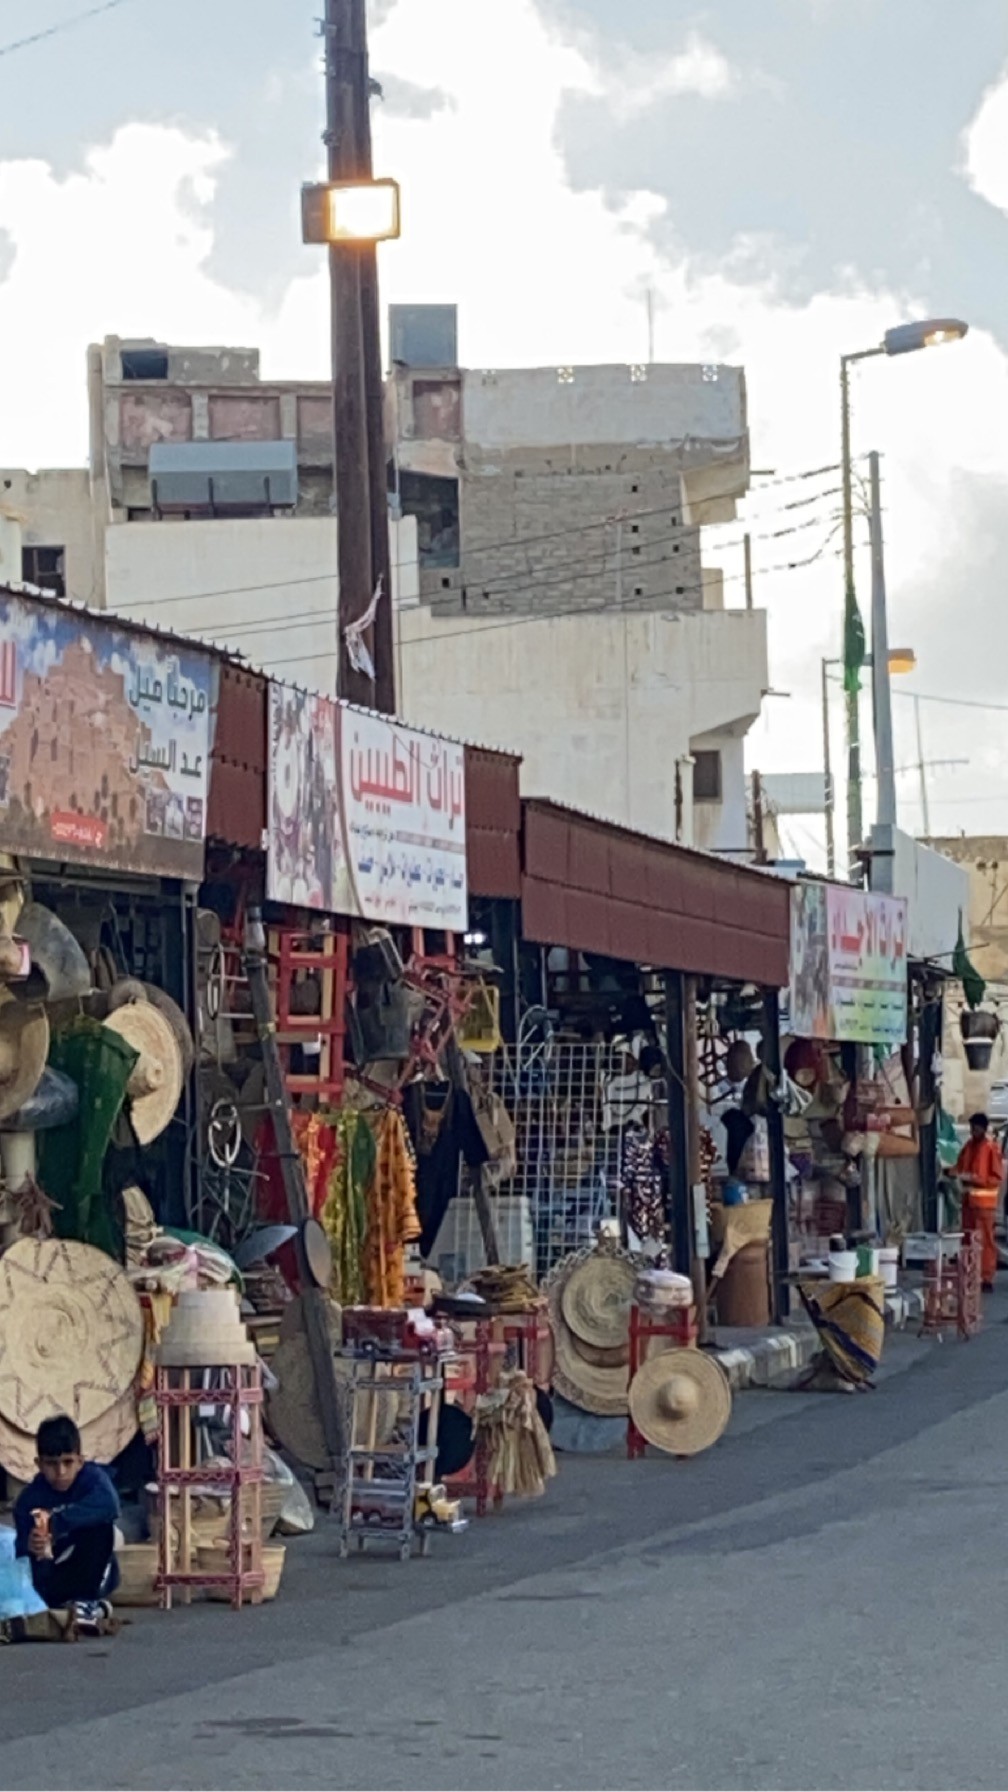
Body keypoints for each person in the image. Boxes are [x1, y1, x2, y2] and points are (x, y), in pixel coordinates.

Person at [13, 1414, 119, 1635]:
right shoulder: (28, 1500)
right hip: (52, 1577)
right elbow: (20, 1553)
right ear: (39, 1464)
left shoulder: (93, 1479)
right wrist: (29, 1545)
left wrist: (57, 1523)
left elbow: (110, 1506)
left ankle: (87, 1601)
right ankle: (90, 1610)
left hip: (92, 1571)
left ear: (80, 1461)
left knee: (102, 1527)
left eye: (68, 1462)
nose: (60, 1472)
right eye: (51, 1464)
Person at [955, 1112, 1004, 1292]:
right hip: (968, 1204)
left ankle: (986, 1277)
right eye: (971, 1128)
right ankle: (970, 1275)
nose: (972, 1132)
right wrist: (950, 1173)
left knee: (985, 1242)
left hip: (984, 1206)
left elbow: (996, 1178)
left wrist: (976, 1179)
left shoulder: (991, 1148)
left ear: (983, 1129)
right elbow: (959, 1167)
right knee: (968, 1241)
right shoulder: (968, 1146)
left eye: (975, 1128)